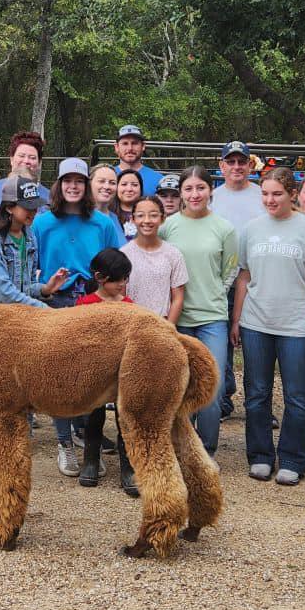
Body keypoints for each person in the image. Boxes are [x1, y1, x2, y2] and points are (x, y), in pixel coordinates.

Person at [232, 165, 305, 484]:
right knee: (257, 393)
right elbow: (244, 277)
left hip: (297, 325)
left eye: (277, 194)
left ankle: (293, 458)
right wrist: (236, 319)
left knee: (298, 395)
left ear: (292, 194)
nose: (270, 200)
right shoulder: (251, 229)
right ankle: (260, 455)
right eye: (264, 194)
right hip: (256, 322)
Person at [31, 157, 126, 476]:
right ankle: (64, 444)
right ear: (58, 185)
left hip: (93, 301)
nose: (73, 186)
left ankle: (90, 443)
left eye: (79, 181)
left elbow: (116, 262)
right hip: (55, 301)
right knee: (59, 375)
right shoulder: (42, 222)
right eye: (67, 180)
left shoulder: (101, 222)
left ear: (86, 186)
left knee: (93, 374)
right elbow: (33, 263)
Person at [0, 176, 66, 490]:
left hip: (20, 325)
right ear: (9, 207)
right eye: (27, 208)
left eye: (35, 207)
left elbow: (23, 288)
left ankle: (16, 457)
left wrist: (46, 289)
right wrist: (43, 310)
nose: (33, 213)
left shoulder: (29, 237)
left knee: (20, 393)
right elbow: (1, 292)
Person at [160, 166, 238, 456]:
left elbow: (230, 271)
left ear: (210, 191)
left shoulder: (224, 228)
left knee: (212, 387)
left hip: (212, 318)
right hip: (178, 317)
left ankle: (206, 450)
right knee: (179, 386)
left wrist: (215, 291)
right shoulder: (168, 227)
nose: (195, 194)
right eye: (189, 189)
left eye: (200, 188)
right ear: (181, 193)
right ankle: (180, 445)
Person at [74, 247, 137, 496]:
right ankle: (90, 459)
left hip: (122, 372)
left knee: (125, 418)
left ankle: (128, 465)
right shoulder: (85, 304)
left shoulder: (130, 306)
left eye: (125, 278)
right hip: (93, 372)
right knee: (93, 416)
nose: (123, 284)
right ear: (100, 277)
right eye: (118, 279)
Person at [211, 141, 262, 418]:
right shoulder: (213, 198)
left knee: (253, 340)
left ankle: (258, 402)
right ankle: (223, 397)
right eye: (230, 162)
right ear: (222, 166)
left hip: (256, 277)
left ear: (250, 165)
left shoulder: (261, 195)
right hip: (221, 278)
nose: (236, 167)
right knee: (221, 339)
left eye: (241, 161)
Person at [122, 197, 187, 322]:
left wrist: (168, 329)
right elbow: (120, 296)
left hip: (162, 324)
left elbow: (178, 298)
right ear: (132, 219)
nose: (147, 221)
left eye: (153, 215)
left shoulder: (173, 254)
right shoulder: (124, 254)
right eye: (140, 215)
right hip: (131, 323)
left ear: (162, 218)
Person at [0, 130, 48, 229]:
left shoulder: (49, 196)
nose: (26, 161)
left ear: (39, 163)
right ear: (11, 159)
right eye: (21, 156)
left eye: (32, 157)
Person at [113, 124, 162, 195]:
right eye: (125, 143)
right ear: (116, 147)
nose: (130, 148)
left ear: (143, 146)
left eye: (135, 143)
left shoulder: (158, 180)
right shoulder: (107, 179)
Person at [114, 170, 145, 239]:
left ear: (141, 188)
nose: (129, 189)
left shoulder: (149, 215)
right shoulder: (108, 214)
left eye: (134, 185)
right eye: (124, 184)